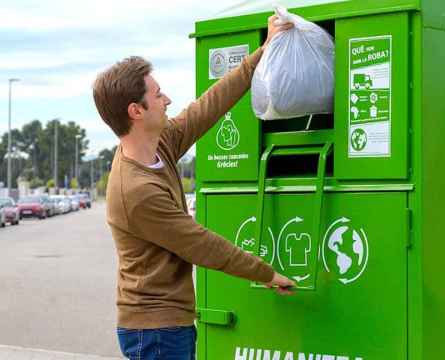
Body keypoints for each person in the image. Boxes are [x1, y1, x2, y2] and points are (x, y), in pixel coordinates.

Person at [92, 16, 294, 360]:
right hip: (154, 331)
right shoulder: (135, 190)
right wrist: (267, 273)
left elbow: (207, 107)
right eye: (158, 95)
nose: (167, 99)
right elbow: (201, 245)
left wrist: (262, 53)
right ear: (136, 111)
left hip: (168, 325)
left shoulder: (159, 146)